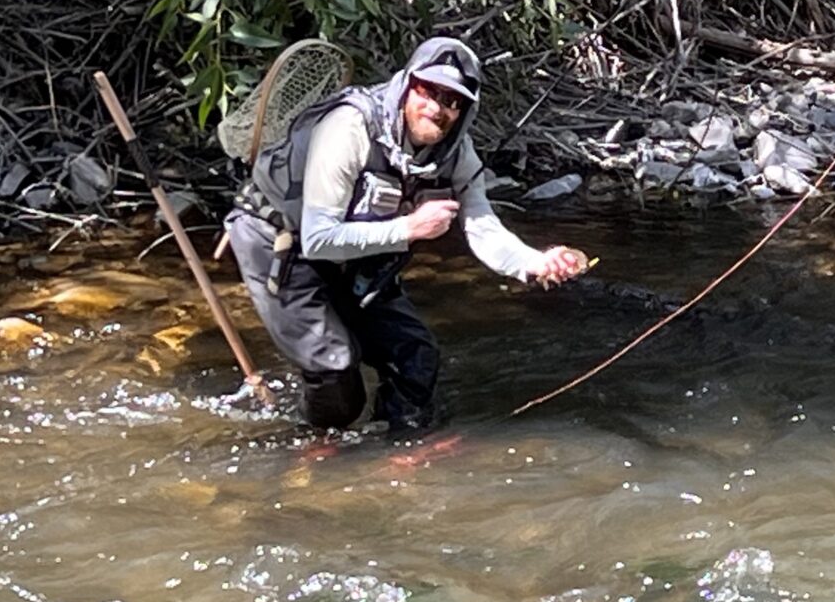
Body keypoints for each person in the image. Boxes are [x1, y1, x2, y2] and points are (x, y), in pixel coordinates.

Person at [225, 36, 591, 431]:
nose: (437, 108)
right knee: (335, 368)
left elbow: (482, 226)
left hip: (355, 253)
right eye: (428, 91)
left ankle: (398, 452)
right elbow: (318, 239)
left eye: (452, 101)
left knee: (416, 358)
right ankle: (316, 452)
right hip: (281, 240)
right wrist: (410, 228)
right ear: (407, 84)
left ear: (465, 110)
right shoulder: (349, 128)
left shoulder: (457, 154)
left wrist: (536, 262)